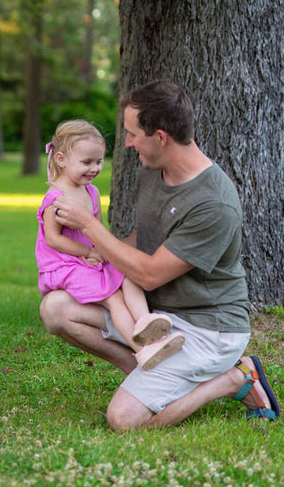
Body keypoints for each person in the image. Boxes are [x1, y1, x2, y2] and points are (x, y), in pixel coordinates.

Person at [41, 80, 280, 430]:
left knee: (124, 420)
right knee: (55, 308)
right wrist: (93, 261)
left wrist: (89, 228)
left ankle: (236, 378)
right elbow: (144, 240)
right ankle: (150, 373)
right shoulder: (154, 172)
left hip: (207, 328)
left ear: (161, 137)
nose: (126, 143)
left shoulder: (213, 203)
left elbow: (151, 273)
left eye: (133, 134)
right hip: (158, 315)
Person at [36, 120, 185, 370]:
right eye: (87, 162)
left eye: (99, 161)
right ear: (61, 159)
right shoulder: (55, 198)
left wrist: (103, 253)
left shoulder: (91, 191)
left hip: (90, 258)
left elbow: (98, 230)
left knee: (128, 274)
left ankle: (146, 322)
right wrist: (88, 252)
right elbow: (54, 240)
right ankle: (143, 350)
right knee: (114, 298)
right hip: (64, 265)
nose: (94, 168)